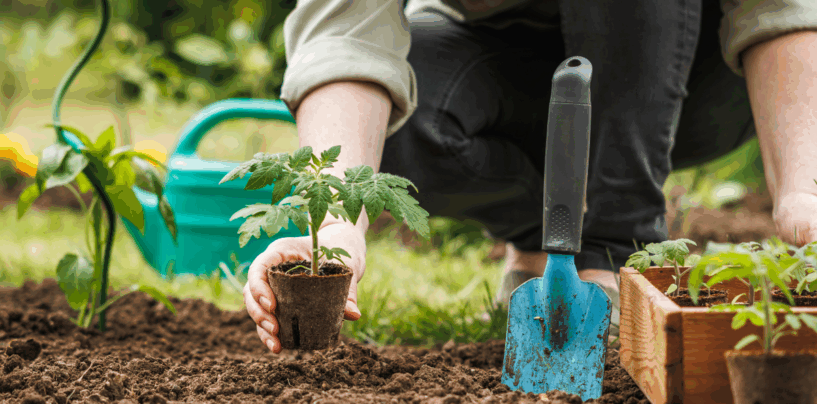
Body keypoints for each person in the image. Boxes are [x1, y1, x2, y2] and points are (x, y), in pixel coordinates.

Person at [243, 0, 817, 354]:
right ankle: (550, 243)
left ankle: (612, 249)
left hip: (692, 73)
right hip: (504, 57)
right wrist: (340, 227)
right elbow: (345, 35)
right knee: (410, 122)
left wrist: (802, 191)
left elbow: (782, 8)